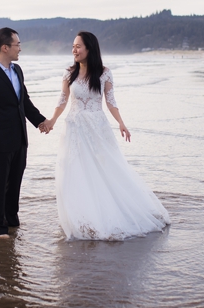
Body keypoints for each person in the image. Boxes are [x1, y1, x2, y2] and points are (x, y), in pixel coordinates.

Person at [41, 31, 170, 240]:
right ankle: (81, 219)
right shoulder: (68, 73)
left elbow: (110, 102)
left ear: (89, 49)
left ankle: (110, 214)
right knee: (74, 171)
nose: (74, 50)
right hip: (74, 128)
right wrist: (52, 121)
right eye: (73, 46)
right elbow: (62, 100)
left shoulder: (104, 73)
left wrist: (121, 123)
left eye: (78, 46)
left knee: (105, 168)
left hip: (97, 127)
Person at [0, 28, 50, 239]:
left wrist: (40, 121)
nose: (20, 49)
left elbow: (23, 101)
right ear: (5, 47)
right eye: (17, 45)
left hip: (19, 138)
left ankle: (12, 220)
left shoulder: (17, 70)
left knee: (15, 181)